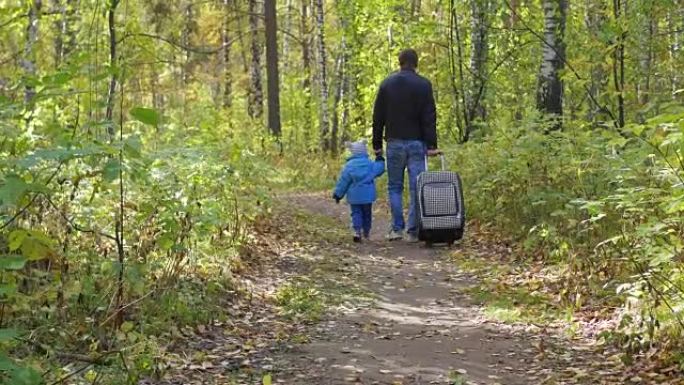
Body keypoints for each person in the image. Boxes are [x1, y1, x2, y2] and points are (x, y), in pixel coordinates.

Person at [372, 48, 440, 242]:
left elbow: (378, 117)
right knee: (416, 186)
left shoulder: (387, 84)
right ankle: (412, 230)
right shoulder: (424, 85)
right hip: (417, 143)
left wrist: (376, 144)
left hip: (393, 142)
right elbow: (429, 117)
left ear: (399, 62)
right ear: (416, 63)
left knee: (394, 186)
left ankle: (396, 229)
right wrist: (431, 144)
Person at [332, 140, 386, 243]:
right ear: (364, 151)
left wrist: (338, 194)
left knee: (356, 213)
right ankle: (366, 232)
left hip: (354, 196)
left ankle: (357, 231)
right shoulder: (369, 164)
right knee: (367, 214)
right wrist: (380, 159)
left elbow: (344, 182)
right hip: (367, 196)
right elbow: (379, 169)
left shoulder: (349, 166)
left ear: (353, 152)